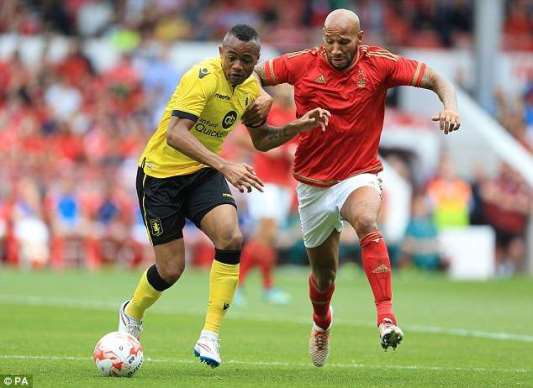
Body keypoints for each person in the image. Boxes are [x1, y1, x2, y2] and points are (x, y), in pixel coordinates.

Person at [252, 9, 461, 367]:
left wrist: (450, 107)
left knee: (366, 220)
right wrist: (261, 96)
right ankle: (321, 322)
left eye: (343, 41)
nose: (335, 48)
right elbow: (255, 73)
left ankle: (386, 317)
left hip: (358, 173)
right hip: (312, 183)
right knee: (324, 274)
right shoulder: (302, 63)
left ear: (359, 38)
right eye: (329, 40)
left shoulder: (379, 64)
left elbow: (436, 78)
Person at [117, 24, 329, 369]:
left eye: (246, 60)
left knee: (231, 237)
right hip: (161, 177)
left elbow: (261, 141)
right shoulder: (201, 78)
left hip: (202, 174)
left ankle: (210, 335)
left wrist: (298, 126)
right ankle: (132, 311)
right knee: (170, 270)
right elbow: (174, 134)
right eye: (231, 57)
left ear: (255, 60)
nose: (237, 66)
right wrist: (226, 165)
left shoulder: (249, 88)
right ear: (221, 53)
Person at [236, 85, 296, 305]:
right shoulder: (267, 111)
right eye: (285, 85)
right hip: (263, 180)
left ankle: (266, 287)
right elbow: (240, 137)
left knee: (268, 238)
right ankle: (239, 285)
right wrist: (268, 149)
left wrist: (294, 154)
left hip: (282, 184)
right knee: (267, 231)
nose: (288, 89)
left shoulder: (297, 115)